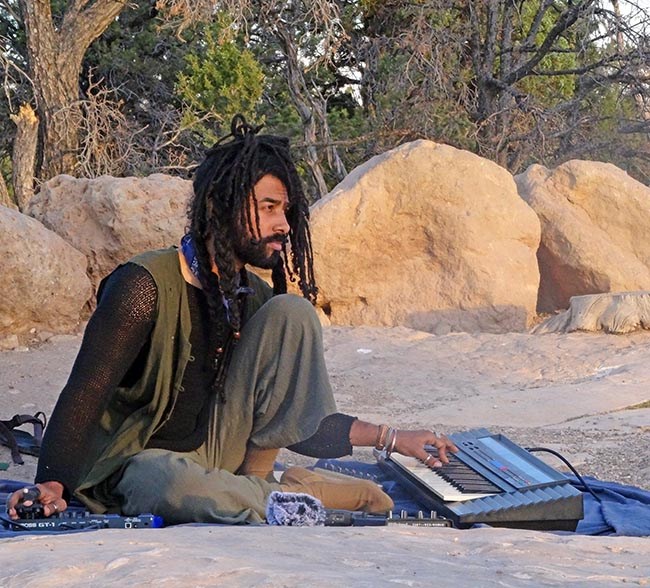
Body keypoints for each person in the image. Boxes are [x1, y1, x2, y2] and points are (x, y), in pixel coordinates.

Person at [7, 115, 456, 525]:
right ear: (222, 207)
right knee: (171, 482)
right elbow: (85, 391)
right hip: (136, 465)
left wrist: (392, 438)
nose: (283, 224)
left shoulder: (254, 297)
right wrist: (51, 485)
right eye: (268, 208)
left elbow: (294, 423)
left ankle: (261, 493)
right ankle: (279, 497)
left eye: (286, 211)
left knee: (293, 312)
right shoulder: (143, 286)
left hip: (219, 458)